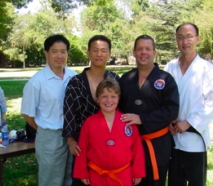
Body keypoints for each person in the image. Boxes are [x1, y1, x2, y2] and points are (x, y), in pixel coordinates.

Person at [119, 35, 179, 186]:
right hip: (130, 146)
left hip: (157, 147)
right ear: (134, 52)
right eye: (140, 49)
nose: (143, 52)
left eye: (147, 49)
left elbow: (171, 110)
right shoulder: (126, 79)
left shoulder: (165, 79)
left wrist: (142, 119)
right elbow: (117, 110)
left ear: (154, 52)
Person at [62, 35, 120, 186]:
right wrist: (71, 140)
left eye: (103, 51)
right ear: (88, 52)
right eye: (95, 50)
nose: (99, 54)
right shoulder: (76, 82)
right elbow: (69, 112)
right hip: (84, 145)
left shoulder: (115, 80)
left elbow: (121, 109)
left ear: (109, 53)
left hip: (110, 144)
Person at [21, 34, 77, 186]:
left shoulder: (74, 77)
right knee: (51, 181)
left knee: (71, 178)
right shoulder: (36, 82)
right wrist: (45, 129)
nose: (59, 56)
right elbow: (27, 113)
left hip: (72, 135)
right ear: (46, 53)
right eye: (54, 51)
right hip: (50, 137)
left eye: (63, 51)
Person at [164, 23, 213, 186]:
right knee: (174, 182)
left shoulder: (207, 69)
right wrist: (168, 120)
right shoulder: (170, 67)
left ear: (197, 39)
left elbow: (211, 103)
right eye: (180, 37)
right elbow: (163, 97)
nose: (185, 41)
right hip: (172, 136)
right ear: (176, 40)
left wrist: (189, 123)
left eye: (189, 36)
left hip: (194, 140)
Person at [73, 77, 146, 186]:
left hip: (123, 176)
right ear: (97, 99)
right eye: (104, 97)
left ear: (118, 98)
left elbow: (137, 149)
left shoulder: (128, 122)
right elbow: (82, 149)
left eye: (113, 96)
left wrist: (138, 172)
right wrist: (82, 172)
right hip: (97, 175)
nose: (109, 100)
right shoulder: (89, 123)